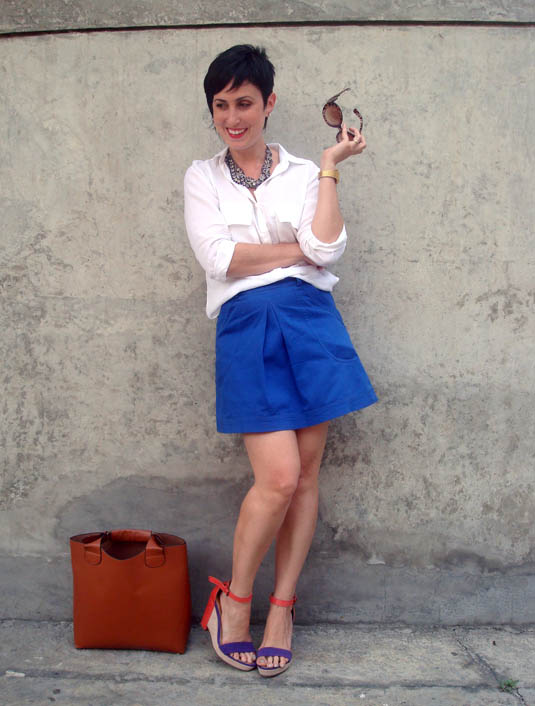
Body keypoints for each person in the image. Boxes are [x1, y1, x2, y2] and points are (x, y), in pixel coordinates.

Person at [183, 44, 377, 677]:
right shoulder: (202, 178)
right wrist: (297, 251)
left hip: (311, 325)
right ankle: (234, 600)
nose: (232, 118)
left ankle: (282, 609)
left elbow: (327, 247)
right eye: (221, 106)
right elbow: (219, 259)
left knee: (307, 476)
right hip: (247, 328)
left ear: (268, 103)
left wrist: (329, 167)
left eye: (244, 103)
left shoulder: (301, 172)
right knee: (279, 478)